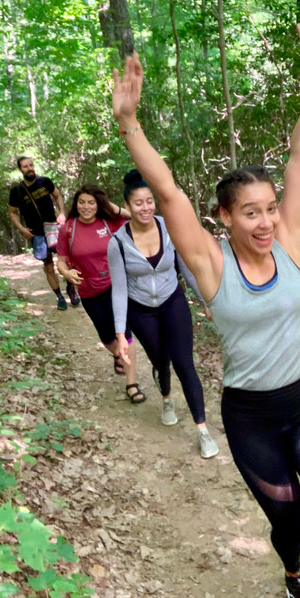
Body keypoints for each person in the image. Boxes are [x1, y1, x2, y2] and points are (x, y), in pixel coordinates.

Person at [111, 26, 300, 598]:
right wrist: (130, 124)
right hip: (251, 418)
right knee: (289, 524)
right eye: (249, 212)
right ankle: (294, 573)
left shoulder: (292, 243)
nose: (265, 222)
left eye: (270, 209)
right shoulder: (210, 263)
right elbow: (169, 192)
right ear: (225, 218)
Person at [107, 169, 219, 458]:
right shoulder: (117, 243)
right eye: (138, 203)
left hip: (173, 302)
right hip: (140, 311)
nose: (145, 208)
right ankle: (167, 399)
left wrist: (205, 298)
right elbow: (119, 290)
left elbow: (186, 268)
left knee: (185, 364)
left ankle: (202, 429)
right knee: (161, 361)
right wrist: (121, 335)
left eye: (149, 201)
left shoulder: (169, 229)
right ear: (128, 207)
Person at [56, 184, 145, 404]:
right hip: (87, 290)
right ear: (75, 204)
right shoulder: (68, 228)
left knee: (123, 332)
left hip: (116, 285)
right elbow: (60, 261)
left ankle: (132, 384)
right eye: (82, 202)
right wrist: (67, 273)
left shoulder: (109, 222)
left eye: (91, 202)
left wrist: (109, 206)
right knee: (106, 336)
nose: (86, 207)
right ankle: (117, 354)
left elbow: (133, 215)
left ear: (98, 205)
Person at [8, 156, 80, 311]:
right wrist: (21, 229)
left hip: (54, 229)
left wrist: (61, 212)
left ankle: (71, 288)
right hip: (37, 234)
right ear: (20, 170)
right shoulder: (17, 191)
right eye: (25, 166)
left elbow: (58, 195)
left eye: (31, 165)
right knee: (48, 266)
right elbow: (12, 212)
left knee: (66, 261)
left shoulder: (44, 182)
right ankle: (59, 297)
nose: (29, 168)